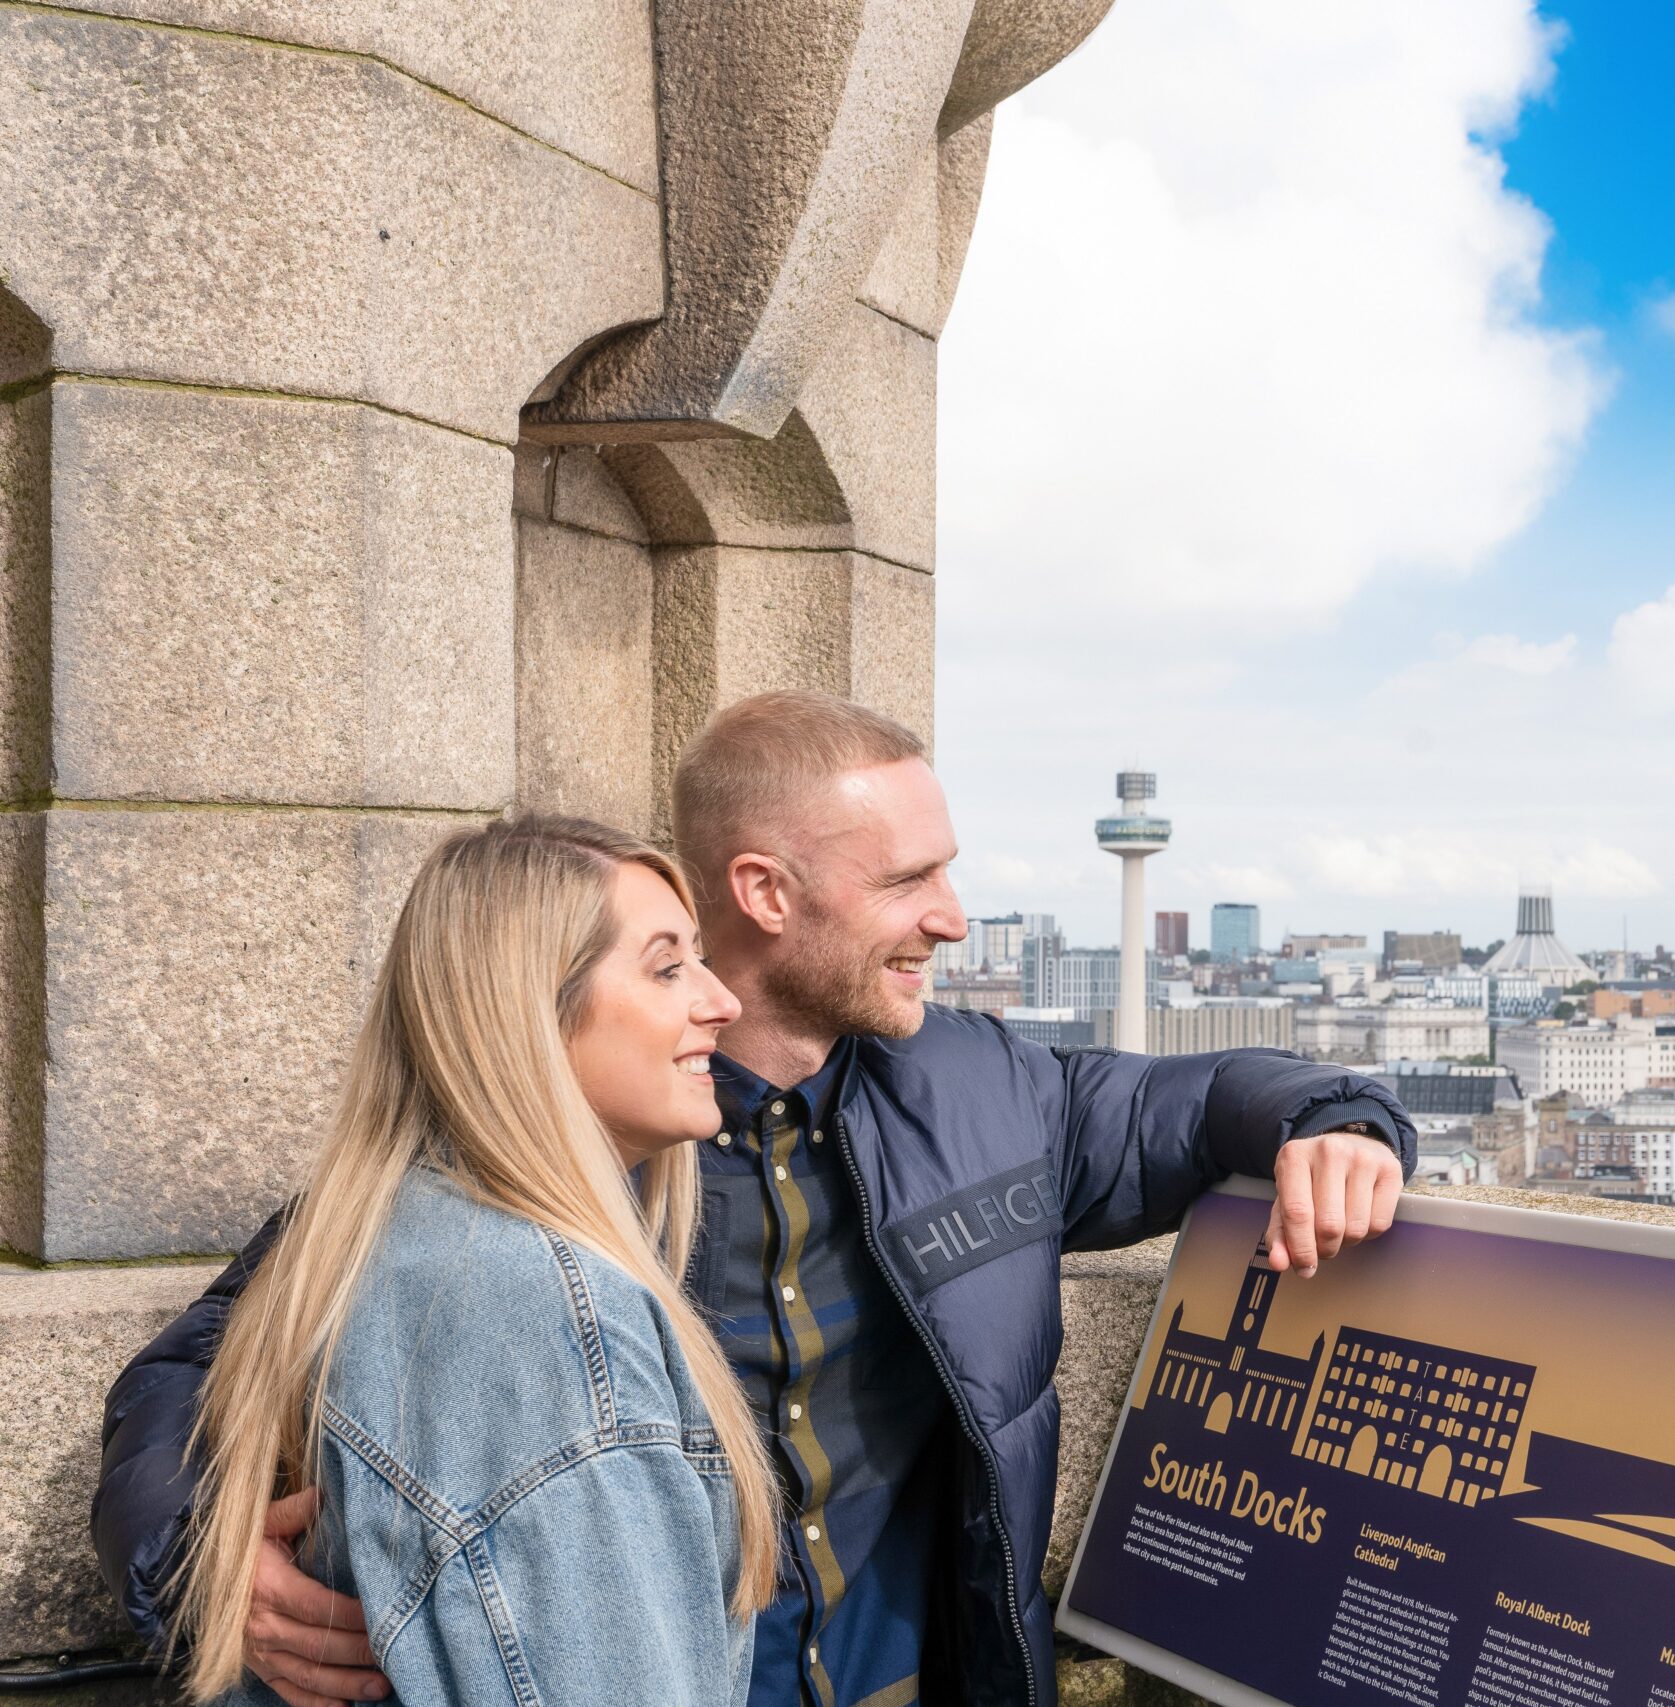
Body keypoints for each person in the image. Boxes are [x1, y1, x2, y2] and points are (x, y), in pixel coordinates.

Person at [98, 693, 1415, 1707]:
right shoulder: (525, 1166)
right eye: (907, 880)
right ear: (765, 892)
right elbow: (198, 1365)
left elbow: (1204, 1097)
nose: (954, 918)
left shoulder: (990, 1092)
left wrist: (1339, 1126)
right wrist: (204, 1559)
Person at [170, 816, 780, 1704]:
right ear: (527, 1013)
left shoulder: (409, 1234)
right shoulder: (536, 1314)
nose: (722, 1001)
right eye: (667, 967)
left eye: (702, 959)